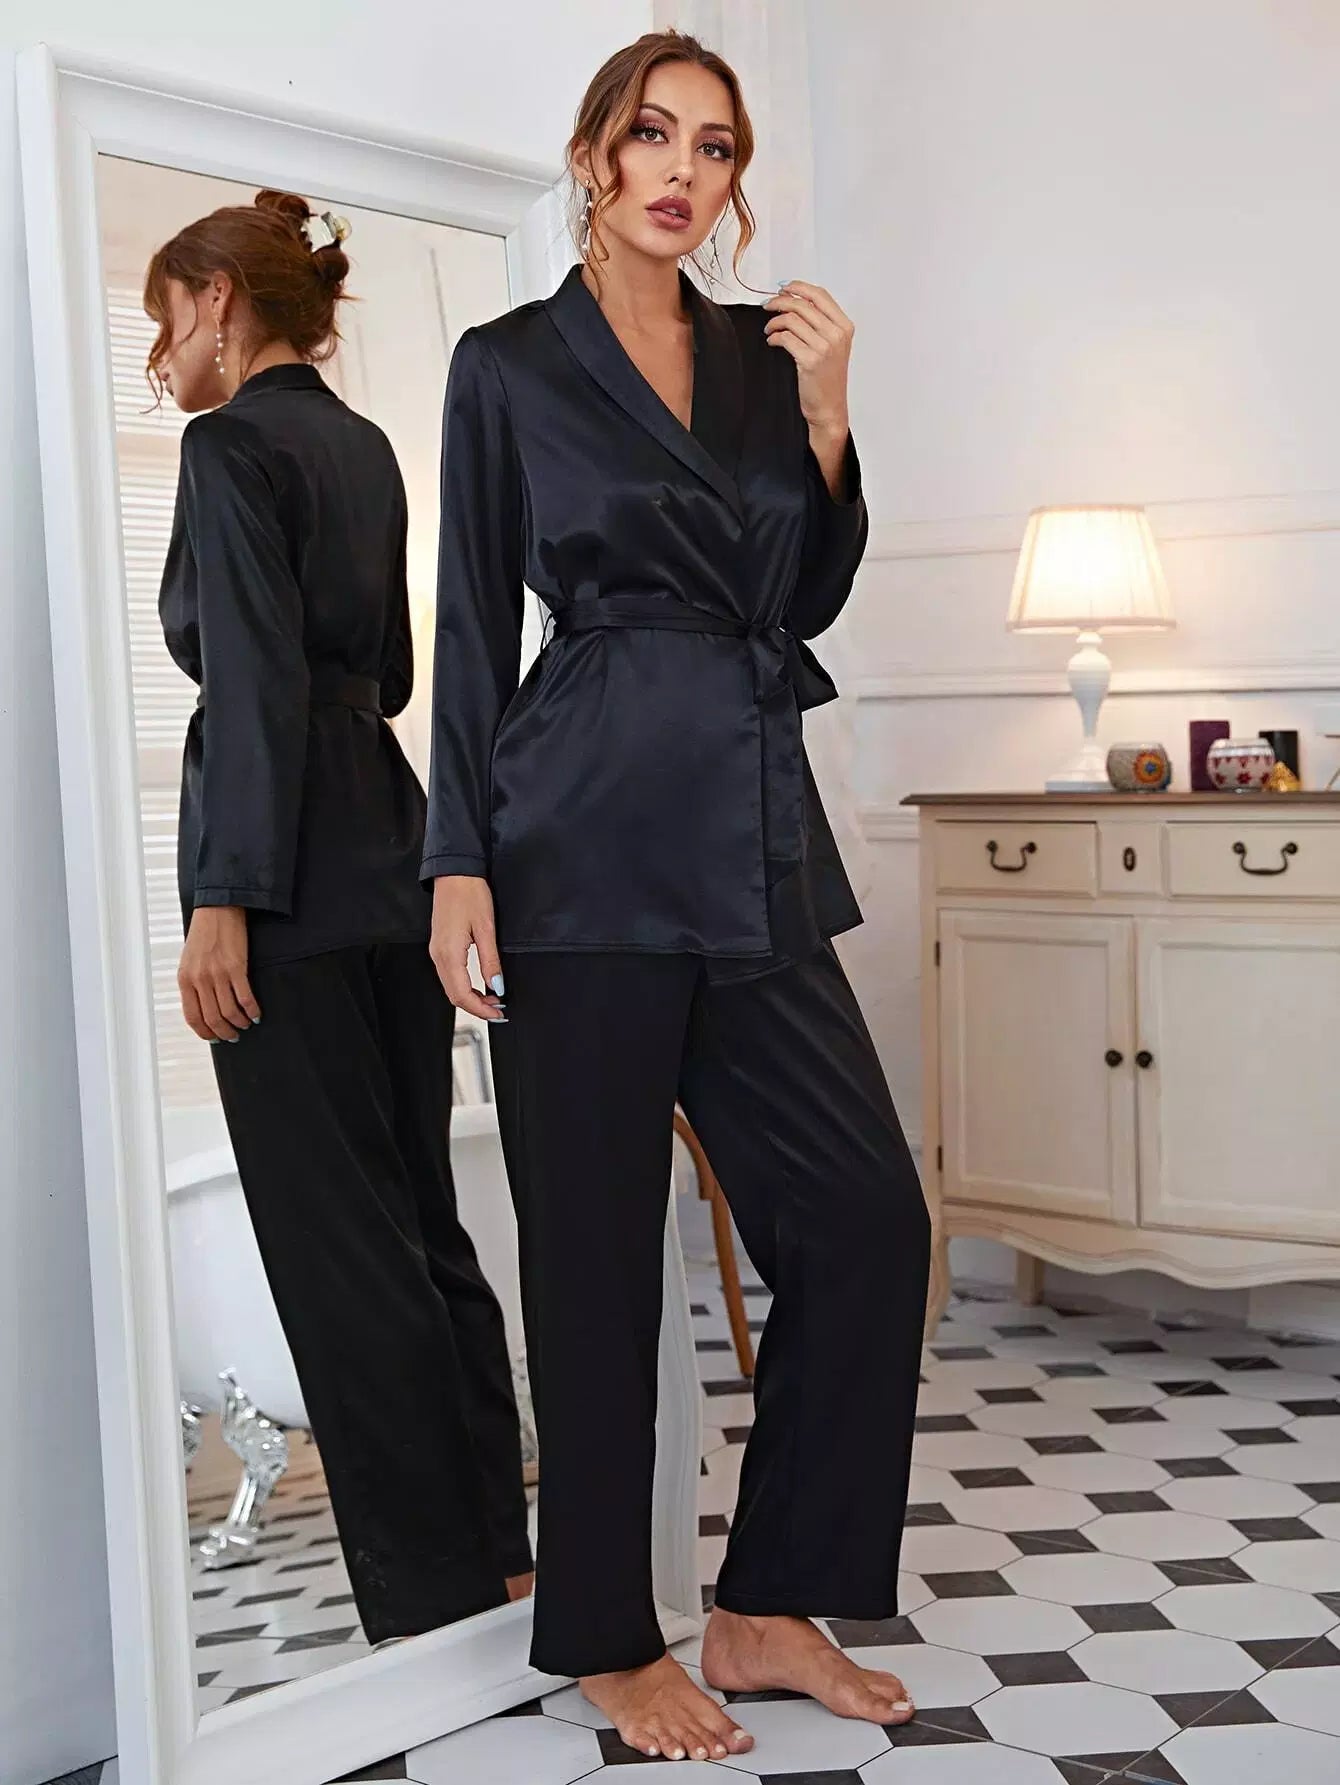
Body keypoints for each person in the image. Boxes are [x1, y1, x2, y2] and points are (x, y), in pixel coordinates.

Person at [424, 29, 932, 1765]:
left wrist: (833, 419)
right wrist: (458, 858)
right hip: (572, 844)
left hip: (752, 830)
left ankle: (767, 1601)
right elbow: (470, 622)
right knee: (590, 1260)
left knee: (866, 1219)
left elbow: (803, 590)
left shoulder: (757, 356)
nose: (683, 171)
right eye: (653, 134)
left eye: (714, 148)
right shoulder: (507, 364)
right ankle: (606, 1636)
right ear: (594, 154)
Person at [148, 188, 533, 1644]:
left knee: (341, 1252)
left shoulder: (227, 446)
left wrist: (223, 899)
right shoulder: (366, 445)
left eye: (163, 318)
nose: (160, 354)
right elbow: (389, 673)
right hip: (391, 850)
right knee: (423, 1226)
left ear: (218, 300)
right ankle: (502, 1564)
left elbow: (251, 675)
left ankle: (432, 1608)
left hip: (290, 881)